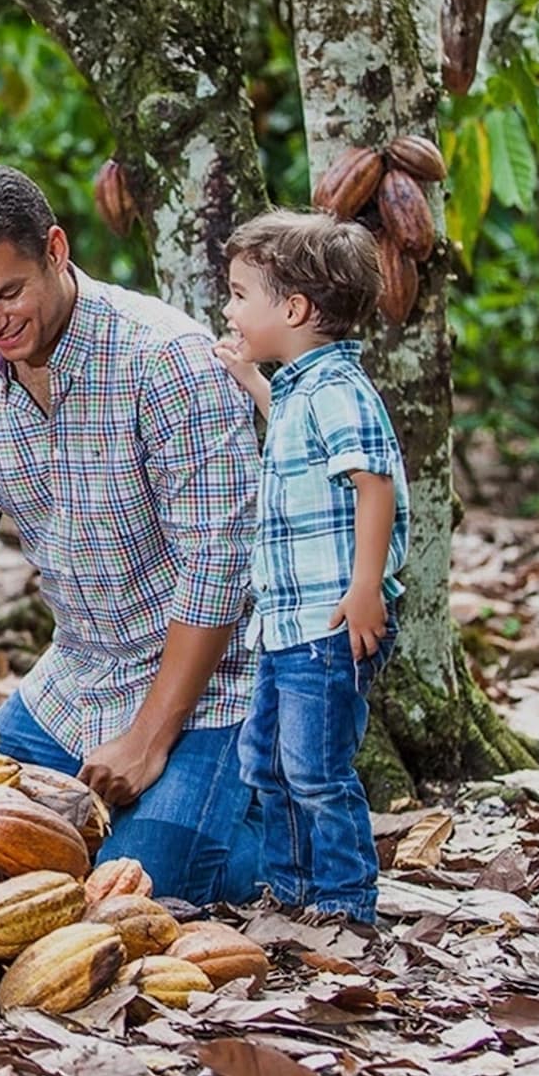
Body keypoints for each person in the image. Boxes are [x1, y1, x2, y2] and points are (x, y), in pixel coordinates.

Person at [0, 164, 263, 905]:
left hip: (214, 684)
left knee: (126, 889)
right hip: (76, 679)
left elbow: (219, 571)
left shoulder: (164, 361)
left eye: (8, 293)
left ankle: (285, 821)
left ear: (55, 248)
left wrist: (149, 738)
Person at [214, 210, 410, 924]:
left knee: (316, 769)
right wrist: (251, 379)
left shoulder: (339, 392)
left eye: (239, 294)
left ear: (293, 309)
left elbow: (374, 482)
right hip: (287, 622)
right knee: (264, 761)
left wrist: (366, 588)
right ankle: (290, 886)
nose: (229, 309)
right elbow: (294, 431)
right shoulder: (301, 387)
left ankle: (346, 899)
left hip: (329, 622)